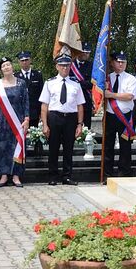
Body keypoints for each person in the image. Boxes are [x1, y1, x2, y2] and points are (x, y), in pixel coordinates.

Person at [41, 54, 84, 185]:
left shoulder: (76, 84)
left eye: (67, 65)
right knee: (53, 148)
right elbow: (44, 105)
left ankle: (67, 176)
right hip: (54, 117)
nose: (65, 68)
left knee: (68, 149)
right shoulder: (50, 83)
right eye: (62, 65)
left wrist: (79, 124)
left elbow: (80, 105)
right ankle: (53, 176)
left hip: (70, 118)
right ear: (57, 66)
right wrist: (45, 124)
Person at [0, 56, 29, 187]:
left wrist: (27, 119)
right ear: (1, 70)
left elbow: (26, 102)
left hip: (18, 120)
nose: (6, 67)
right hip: (1, 121)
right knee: (2, 148)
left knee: (17, 147)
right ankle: (3, 175)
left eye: (8, 64)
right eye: (3, 66)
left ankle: (16, 176)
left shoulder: (21, 83)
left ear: (12, 67)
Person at [103, 51, 136, 178]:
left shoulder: (130, 78)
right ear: (112, 63)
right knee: (108, 146)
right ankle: (107, 173)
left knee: (125, 146)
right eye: (118, 61)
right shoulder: (107, 78)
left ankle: (124, 172)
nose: (121, 64)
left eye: (123, 62)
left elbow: (129, 96)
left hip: (125, 117)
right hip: (110, 115)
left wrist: (111, 94)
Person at [16, 50, 44, 126]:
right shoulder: (15, 77)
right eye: (22, 60)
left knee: (34, 137)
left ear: (30, 60)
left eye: (26, 60)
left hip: (35, 113)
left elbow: (42, 95)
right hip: (20, 114)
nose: (24, 62)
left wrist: (42, 113)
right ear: (19, 62)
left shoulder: (38, 75)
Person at [73, 41, 95, 128]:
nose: (86, 55)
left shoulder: (92, 66)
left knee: (86, 129)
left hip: (86, 102)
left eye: (88, 53)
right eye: (84, 52)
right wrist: (84, 83)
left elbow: (92, 84)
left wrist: (78, 83)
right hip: (72, 103)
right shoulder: (70, 65)